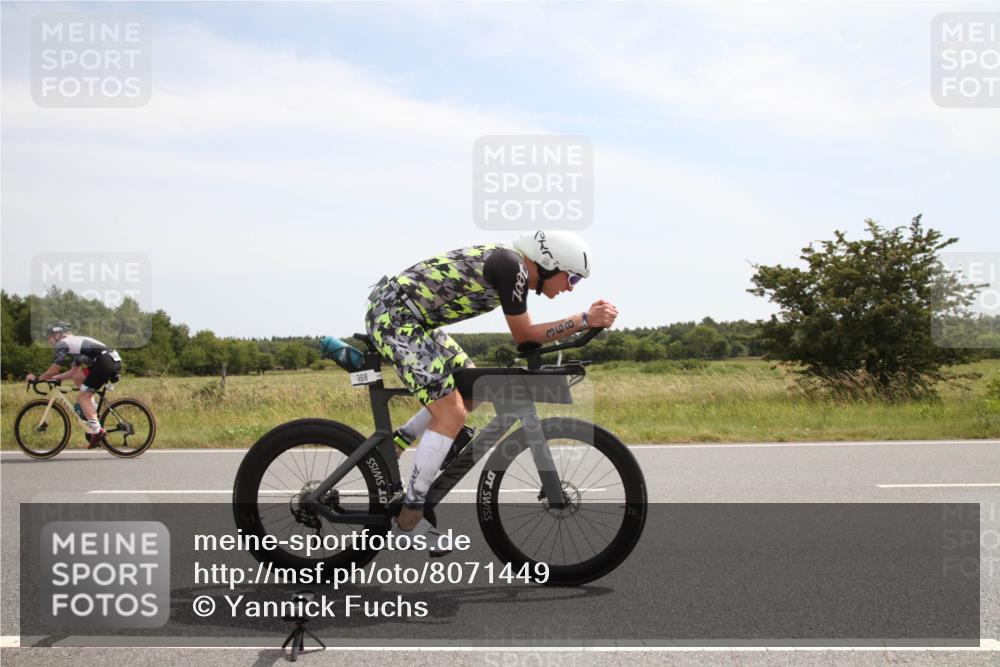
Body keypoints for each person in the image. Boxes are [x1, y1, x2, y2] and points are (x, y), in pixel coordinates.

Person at [365, 231, 618, 554]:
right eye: (572, 279)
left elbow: (526, 341)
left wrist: (581, 323)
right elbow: (525, 336)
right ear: (550, 264)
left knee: (473, 386)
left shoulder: (514, 268)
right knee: (451, 412)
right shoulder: (512, 268)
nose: (569, 287)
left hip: (410, 318)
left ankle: (397, 444)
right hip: (396, 319)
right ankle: (409, 519)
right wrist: (583, 319)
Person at [26, 323, 122, 448]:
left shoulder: (63, 343)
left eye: (49, 337)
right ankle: (92, 414)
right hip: (109, 360)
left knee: (82, 397)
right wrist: (56, 377)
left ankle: (97, 431)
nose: (48, 340)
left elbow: (55, 367)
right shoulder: (75, 346)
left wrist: (37, 378)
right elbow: (73, 372)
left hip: (104, 362)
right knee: (78, 378)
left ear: (57, 335)